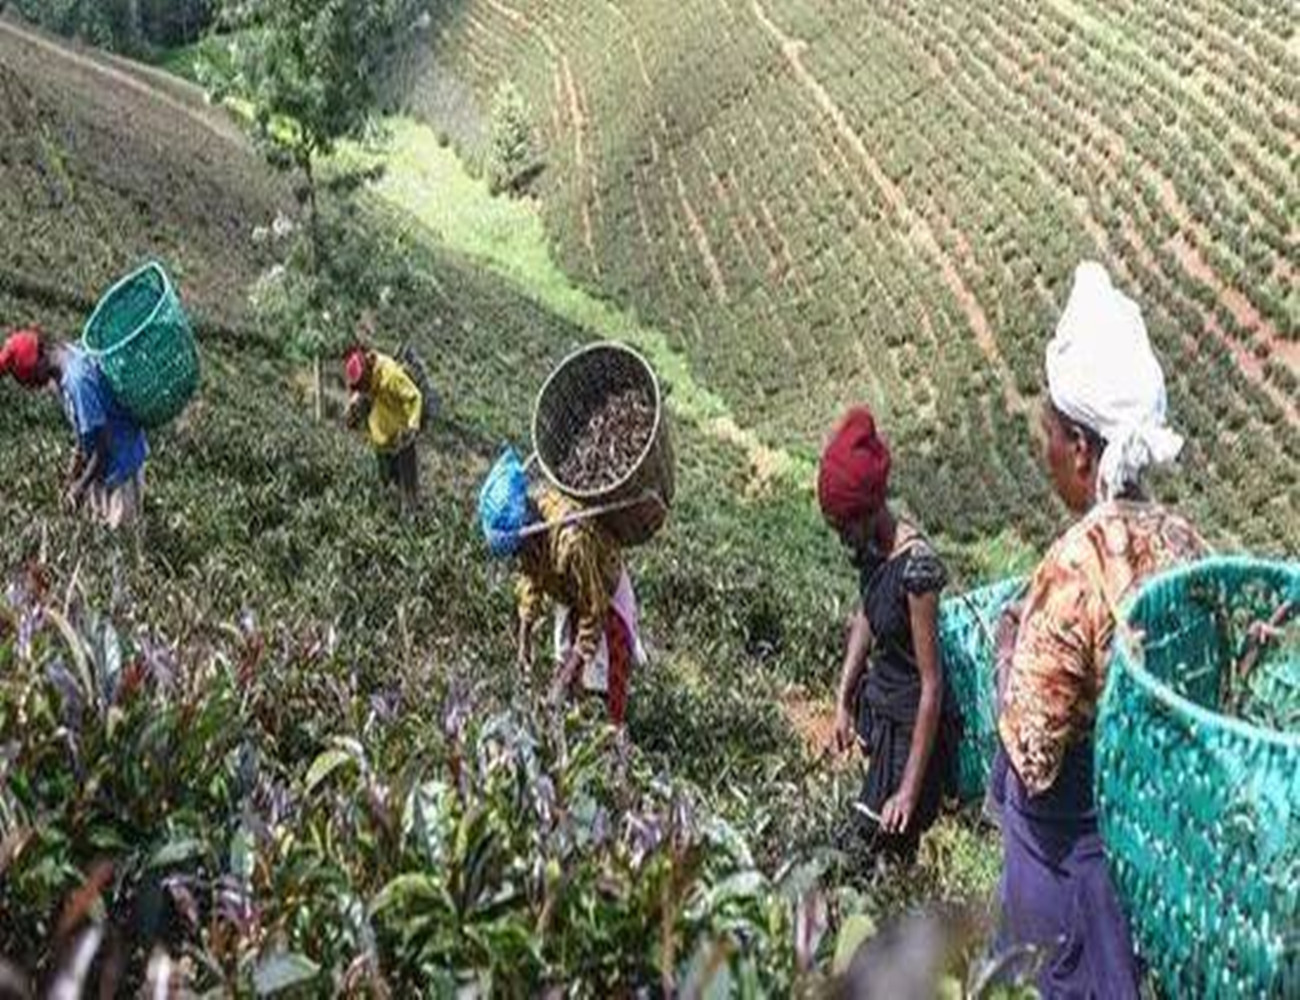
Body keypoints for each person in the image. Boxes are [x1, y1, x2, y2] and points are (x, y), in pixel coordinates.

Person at [995, 262, 1208, 997]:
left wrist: (1005, 652)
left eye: (1050, 431)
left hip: (1070, 875)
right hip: (1149, 858)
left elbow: (1032, 755)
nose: (1043, 446)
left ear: (1082, 449)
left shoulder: (1073, 568)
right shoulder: (1186, 546)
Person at [821, 406, 959, 864]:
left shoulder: (917, 569)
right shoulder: (873, 552)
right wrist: (842, 699)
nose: (841, 539)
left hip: (911, 734)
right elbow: (865, 615)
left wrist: (907, 790)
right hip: (883, 718)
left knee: (878, 853)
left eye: (844, 528)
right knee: (871, 853)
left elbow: (931, 685)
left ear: (868, 511)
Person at [515, 482, 645, 727]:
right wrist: (524, 641)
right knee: (564, 665)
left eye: (520, 551)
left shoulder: (571, 543)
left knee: (602, 686)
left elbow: (594, 613)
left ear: (531, 536)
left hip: (605, 595)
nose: (519, 558)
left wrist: (564, 679)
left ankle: (613, 748)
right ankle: (568, 724)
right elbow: (529, 578)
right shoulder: (528, 529)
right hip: (569, 589)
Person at [0, 328, 148, 530]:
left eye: (33, 378)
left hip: (120, 465)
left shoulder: (77, 382)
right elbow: (86, 430)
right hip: (104, 466)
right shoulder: (68, 357)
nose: (36, 385)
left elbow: (101, 449)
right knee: (99, 530)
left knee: (120, 538)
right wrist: (74, 470)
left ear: (41, 359)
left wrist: (79, 487)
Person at [344, 345, 423, 512]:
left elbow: (415, 397)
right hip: (381, 442)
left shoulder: (391, 375)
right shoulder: (367, 378)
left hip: (401, 441)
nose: (364, 391)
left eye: (364, 387)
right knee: (387, 486)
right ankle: (390, 518)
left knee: (407, 491)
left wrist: (412, 427)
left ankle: (412, 523)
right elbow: (361, 394)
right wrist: (353, 407)